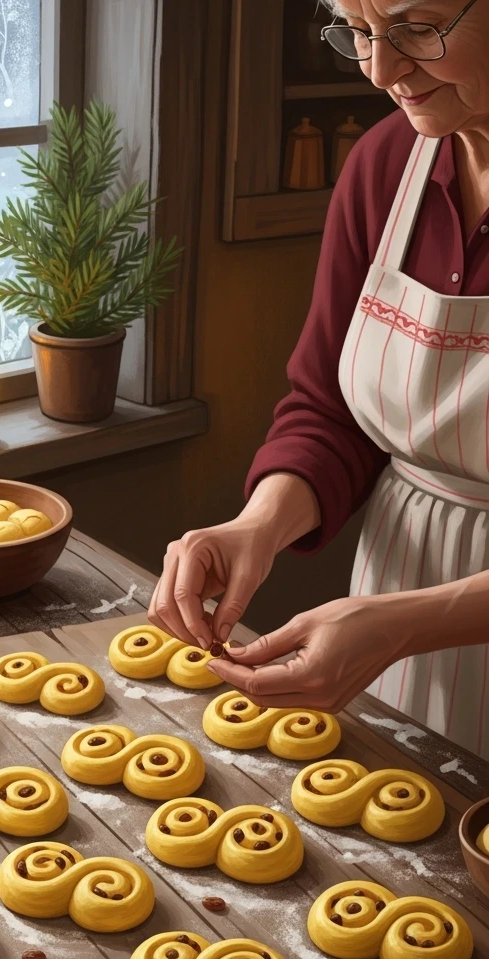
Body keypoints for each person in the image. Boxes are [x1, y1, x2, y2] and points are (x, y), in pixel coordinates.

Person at [150, 0, 489, 757]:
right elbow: (333, 411)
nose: (380, 69)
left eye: (415, 28)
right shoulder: (384, 165)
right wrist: (259, 526)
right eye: (357, 30)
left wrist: (406, 621)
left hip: (393, 625)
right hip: (392, 632)